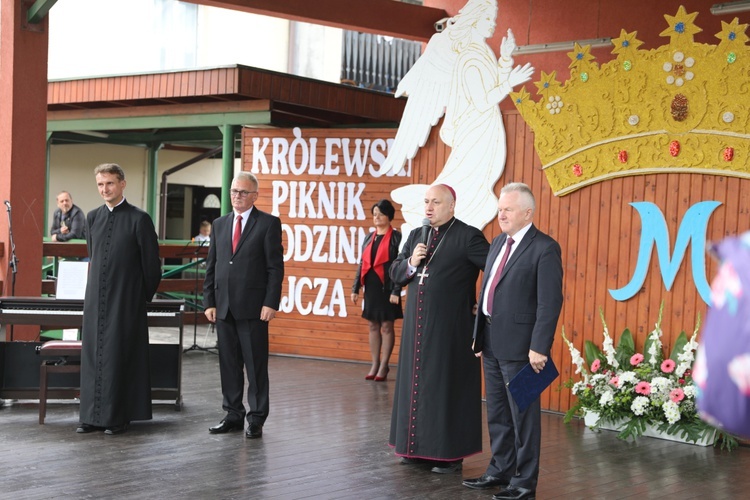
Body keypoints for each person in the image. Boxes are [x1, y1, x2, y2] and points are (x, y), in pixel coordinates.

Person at [464, 182, 563, 500]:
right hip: (491, 341)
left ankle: (523, 483)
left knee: (524, 416)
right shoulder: (497, 243)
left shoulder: (545, 248)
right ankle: (500, 469)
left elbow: (550, 302)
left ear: (527, 212)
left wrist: (540, 346)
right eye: (500, 209)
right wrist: (479, 334)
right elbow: (487, 291)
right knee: (496, 412)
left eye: (507, 209)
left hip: (523, 348)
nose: (501, 214)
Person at [388, 184, 489, 473]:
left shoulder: (468, 236)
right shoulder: (416, 235)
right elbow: (396, 272)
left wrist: (480, 303)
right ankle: (415, 449)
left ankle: (449, 455)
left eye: (436, 202)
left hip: (450, 330)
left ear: (451, 206)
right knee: (417, 386)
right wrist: (410, 262)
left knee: (445, 388)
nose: (429, 208)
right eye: (427, 202)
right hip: (415, 331)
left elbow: (497, 270)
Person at [77, 163, 162, 436]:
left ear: (122, 184)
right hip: (95, 302)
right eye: (101, 185)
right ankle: (90, 416)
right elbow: (94, 256)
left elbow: (152, 267)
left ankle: (118, 417)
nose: (105, 189)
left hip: (126, 302)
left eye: (110, 184)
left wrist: (137, 299)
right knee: (92, 356)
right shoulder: (92, 217)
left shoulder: (139, 219)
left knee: (118, 357)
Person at [204, 172, 284, 439]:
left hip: (253, 308)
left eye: (242, 192)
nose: (237, 196)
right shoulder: (219, 224)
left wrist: (270, 302)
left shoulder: (268, 224)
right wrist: (209, 302)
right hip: (223, 307)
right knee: (228, 365)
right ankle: (233, 414)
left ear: (255, 196)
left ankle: (257, 418)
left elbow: (275, 268)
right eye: (233, 191)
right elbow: (212, 266)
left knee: (255, 365)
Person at [351, 199, 403, 381]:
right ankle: (374, 363)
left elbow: (400, 264)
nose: (377, 217)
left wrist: (396, 290)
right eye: (374, 214)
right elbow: (362, 263)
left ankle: (384, 365)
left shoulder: (397, 237)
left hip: (388, 287)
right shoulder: (368, 237)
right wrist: (355, 287)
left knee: (387, 326)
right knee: (372, 324)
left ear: (389, 216)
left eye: (380, 214)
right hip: (371, 287)